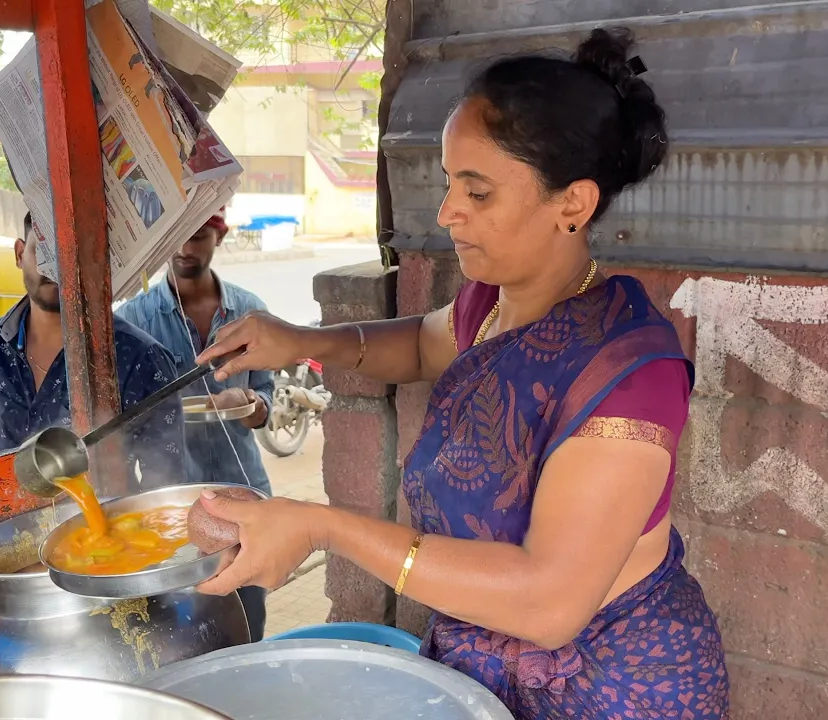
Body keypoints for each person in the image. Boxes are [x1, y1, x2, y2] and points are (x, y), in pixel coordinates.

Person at [189, 29, 729, 718]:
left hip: (615, 689)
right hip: (484, 669)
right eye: (450, 185)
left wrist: (320, 525)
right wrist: (297, 340)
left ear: (573, 203)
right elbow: (420, 344)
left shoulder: (628, 373)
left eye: (478, 192)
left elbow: (548, 602)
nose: (448, 214)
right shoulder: (493, 303)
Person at [116, 208, 275, 641]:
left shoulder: (249, 312)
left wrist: (248, 403)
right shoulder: (133, 321)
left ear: (219, 238)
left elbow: (266, 401)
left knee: (247, 613)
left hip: (240, 485)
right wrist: (177, 413)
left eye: (200, 235)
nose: (186, 249)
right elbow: (124, 425)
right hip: (169, 500)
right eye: (178, 237)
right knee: (180, 624)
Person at [0, 212, 186, 493]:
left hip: (100, 532)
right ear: (19, 253)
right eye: (42, 251)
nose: (53, 267)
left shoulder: (141, 358)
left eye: (66, 252)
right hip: (4, 534)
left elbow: (165, 485)